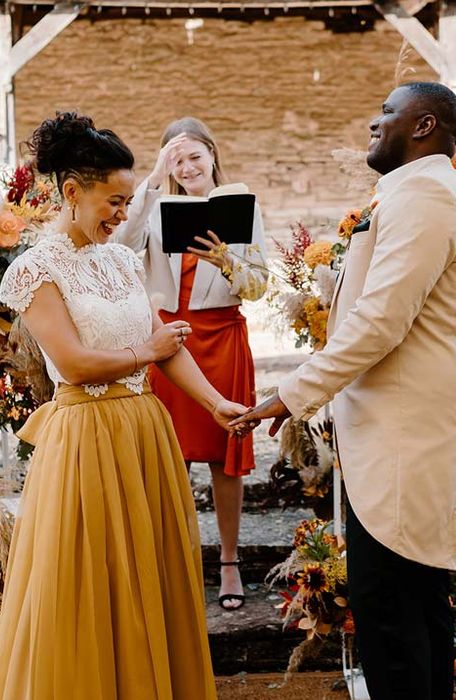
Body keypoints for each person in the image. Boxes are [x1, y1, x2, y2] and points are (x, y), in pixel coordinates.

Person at [231, 82, 456, 700]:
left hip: (409, 439)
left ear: (426, 124)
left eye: (388, 112)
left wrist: (293, 394)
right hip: (405, 433)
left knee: (392, 621)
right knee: (416, 612)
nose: (374, 124)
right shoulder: (413, 193)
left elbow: (380, 321)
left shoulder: (427, 195)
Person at [0, 112, 249, 699]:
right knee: (86, 582)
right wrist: (145, 350)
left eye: (129, 203)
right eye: (114, 201)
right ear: (73, 192)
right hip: (85, 438)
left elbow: (165, 347)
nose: (123, 214)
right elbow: (74, 362)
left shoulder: (123, 260)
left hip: (144, 434)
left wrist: (213, 402)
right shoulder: (35, 269)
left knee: (146, 579)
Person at [115, 117, 268, 610]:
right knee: (170, 456)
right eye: (176, 159)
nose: (187, 166)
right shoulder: (154, 204)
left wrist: (226, 260)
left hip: (223, 338)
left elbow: (260, 286)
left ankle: (228, 561)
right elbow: (118, 248)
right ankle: (175, 562)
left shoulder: (241, 205)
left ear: (212, 156)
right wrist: (153, 179)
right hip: (168, 342)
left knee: (227, 459)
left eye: (194, 156)